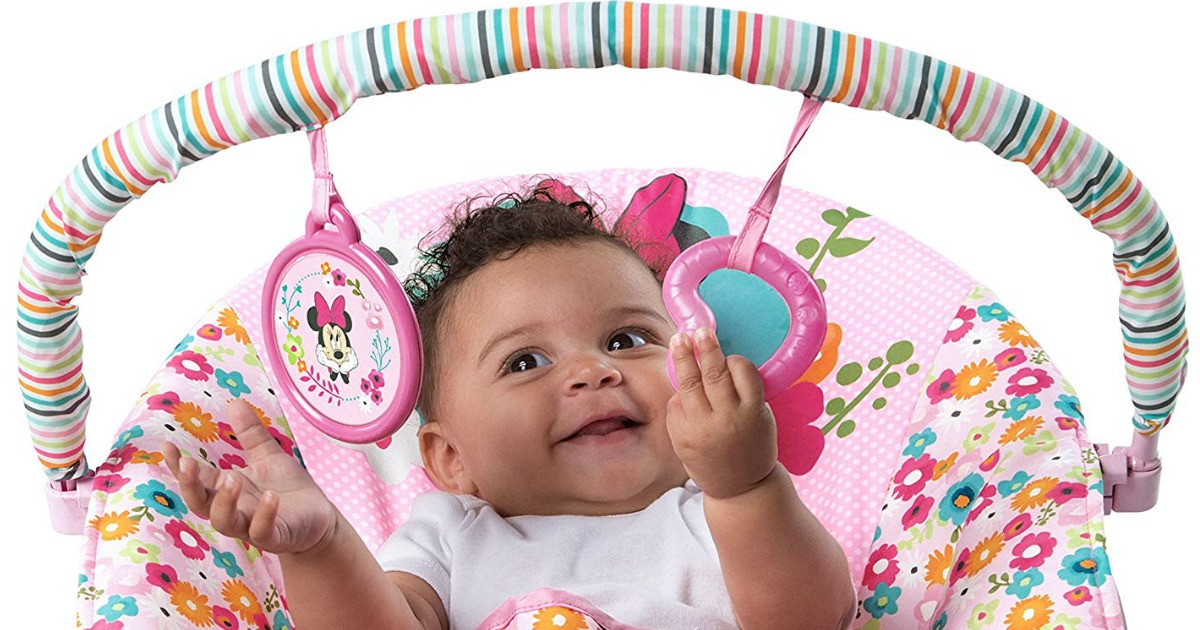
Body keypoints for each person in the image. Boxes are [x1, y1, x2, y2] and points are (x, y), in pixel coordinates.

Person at [164, 183, 856, 629]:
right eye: (526, 362)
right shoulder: (451, 537)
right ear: (449, 457)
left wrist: (747, 483)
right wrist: (321, 549)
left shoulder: (716, 515)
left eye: (628, 339)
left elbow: (812, 619)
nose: (594, 371)